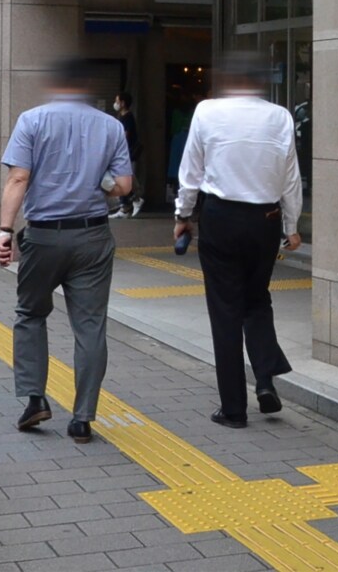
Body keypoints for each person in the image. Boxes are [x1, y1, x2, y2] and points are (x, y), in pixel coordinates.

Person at [0, 58, 132, 444]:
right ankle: (83, 418)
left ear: (55, 85)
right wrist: (97, 180)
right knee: (90, 326)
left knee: (30, 314)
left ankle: (35, 399)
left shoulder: (32, 120)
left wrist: (4, 232)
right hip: (92, 237)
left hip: (44, 237)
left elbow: (18, 177)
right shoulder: (111, 125)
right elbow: (123, 185)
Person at [173, 53, 301, 427]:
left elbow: (191, 171)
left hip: (221, 217)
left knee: (225, 309)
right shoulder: (280, 116)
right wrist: (291, 226)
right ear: (261, 81)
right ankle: (264, 380)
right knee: (257, 299)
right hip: (266, 219)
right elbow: (290, 176)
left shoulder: (206, 111)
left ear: (227, 80)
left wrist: (183, 216)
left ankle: (233, 410)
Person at [111, 92, 142, 218]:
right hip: (122, 151)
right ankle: (126, 206)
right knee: (122, 177)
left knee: (121, 177)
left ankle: (134, 200)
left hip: (125, 151)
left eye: (117, 101)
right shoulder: (122, 116)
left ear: (123, 103)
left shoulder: (127, 117)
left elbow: (124, 135)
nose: (116, 104)